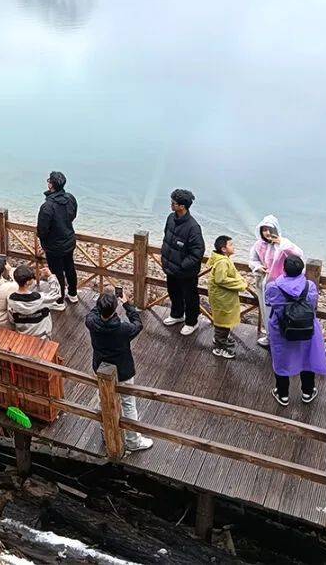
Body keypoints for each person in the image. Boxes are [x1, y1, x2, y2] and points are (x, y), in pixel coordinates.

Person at [85, 290, 153, 452]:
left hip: (100, 367)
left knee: (103, 400)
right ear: (115, 309)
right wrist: (127, 305)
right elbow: (138, 323)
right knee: (128, 404)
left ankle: (105, 431)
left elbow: (93, 311)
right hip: (123, 370)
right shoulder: (123, 329)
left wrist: (103, 301)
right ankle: (132, 440)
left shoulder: (92, 322)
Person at [265, 256, 326, 406]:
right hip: (306, 326)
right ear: (302, 270)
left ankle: (283, 394)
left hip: (281, 329)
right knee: (307, 358)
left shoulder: (273, 286)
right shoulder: (310, 286)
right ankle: (307, 391)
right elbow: (312, 304)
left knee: (281, 359)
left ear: (284, 269)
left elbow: (269, 302)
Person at [249, 215, 303, 348]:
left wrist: (281, 243)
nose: (267, 232)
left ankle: (282, 337)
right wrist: (258, 267)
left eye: (270, 229)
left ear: (276, 229)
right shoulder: (258, 245)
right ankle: (269, 336)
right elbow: (252, 260)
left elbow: (298, 256)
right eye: (264, 229)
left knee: (281, 312)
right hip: (264, 284)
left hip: (282, 286)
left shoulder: (284, 243)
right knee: (266, 311)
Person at [160, 189, 205, 336]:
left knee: (190, 297)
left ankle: (192, 322)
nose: (171, 205)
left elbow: (198, 251)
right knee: (173, 293)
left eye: (173, 203)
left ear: (182, 206)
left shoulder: (193, 227)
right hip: (171, 268)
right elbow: (166, 236)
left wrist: (182, 265)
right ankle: (177, 315)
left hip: (186, 272)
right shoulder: (170, 218)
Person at [37, 171, 78, 304]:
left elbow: (42, 229)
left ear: (51, 185)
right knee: (70, 266)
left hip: (54, 246)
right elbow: (72, 215)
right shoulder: (70, 198)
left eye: (48, 180)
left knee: (56, 272)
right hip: (69, 240)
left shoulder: (47, 207)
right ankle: (73, 294)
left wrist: (44, 242)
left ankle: (59, 300)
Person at [206, 235, 248, 359]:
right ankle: (219, 348)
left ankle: (221, 340)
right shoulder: (223, 262)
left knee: (224, 321)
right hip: (221, 299)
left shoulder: (224, 259)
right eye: (231, 244)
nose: (233, 246)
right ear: (223, 249)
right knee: (222, 323)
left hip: (224, 297)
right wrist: (241, 284)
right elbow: (221, 279)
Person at [7, 264, 63, 338]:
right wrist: (51, 276)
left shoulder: (10, 299)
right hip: (42, 335)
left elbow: (11, 319)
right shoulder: (40, 299)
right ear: (27, 282)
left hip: (23, 334)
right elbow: (56, 294)